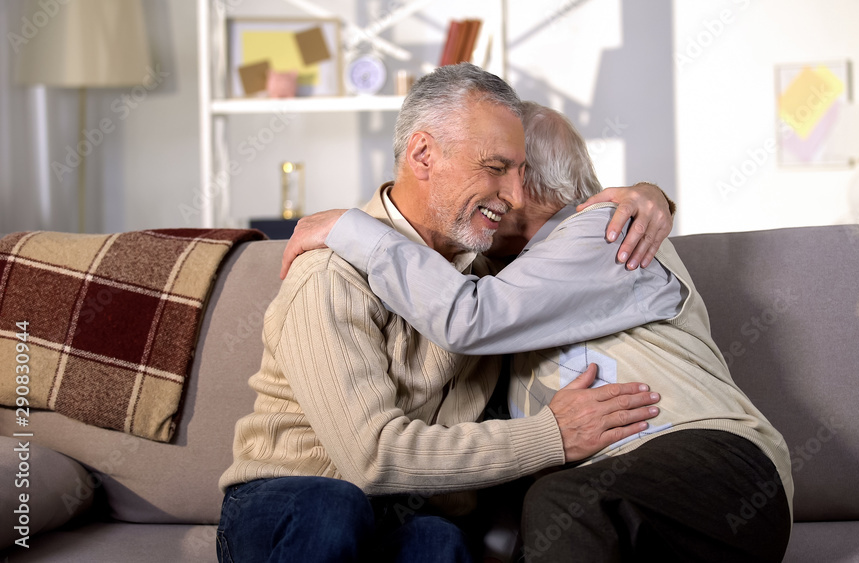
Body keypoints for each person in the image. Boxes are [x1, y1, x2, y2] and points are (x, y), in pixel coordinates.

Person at [292, 101, 794, 562]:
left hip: (718, 471)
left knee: (563, 503)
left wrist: (351, 228)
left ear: (525, 181)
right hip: (618, 506)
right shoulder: (504, 275)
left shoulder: (607, 230)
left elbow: (470, 319)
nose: (488, 191)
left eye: (495, 170)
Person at [217, 64, 673, 563]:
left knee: (438, 541)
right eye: (497, 168)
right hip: (295, 497)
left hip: (408, 511)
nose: (515, 196)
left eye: (522, 174)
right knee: (335, 508)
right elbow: (371, 459)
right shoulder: (330, 273)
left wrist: (649, 197)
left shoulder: (493, 275)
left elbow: (572, 228)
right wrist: (551, 437)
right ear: (423, 155)